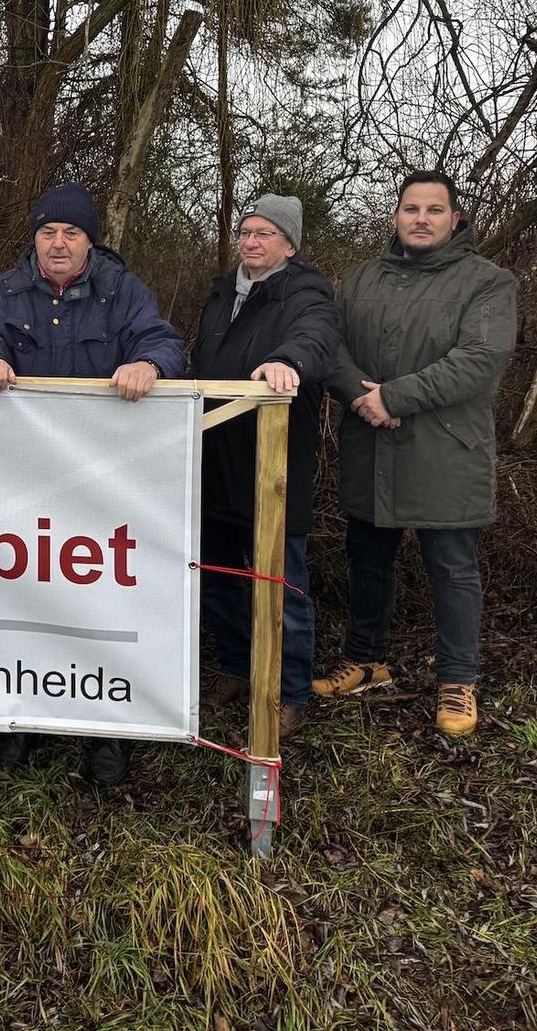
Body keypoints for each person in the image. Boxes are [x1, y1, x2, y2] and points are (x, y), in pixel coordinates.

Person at [0, 182, 186, 784]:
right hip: (25, 482)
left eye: (71, 233)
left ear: (90, 241)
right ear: (35, 238)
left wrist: (148, 364)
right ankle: (20, 717)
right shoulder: (6, 291)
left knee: (102, 602)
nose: (58, 243)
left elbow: (164, 341)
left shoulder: (123, 290)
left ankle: (108, 727)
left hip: (104, 483)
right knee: (24, 596)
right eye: (48, 232)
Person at [316, 171, 517, 738]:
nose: (421, 218)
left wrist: (395, 397)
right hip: (372, 445)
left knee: (451, 567)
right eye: (411, 208)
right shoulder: (356, 281)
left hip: (445, 450)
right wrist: (363, 398)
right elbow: (330, 349)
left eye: (434, 209)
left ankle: (458, 678)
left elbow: (480, 358)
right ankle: (367, 660)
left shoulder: (488, 282)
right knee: (368, 558)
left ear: (455, 220)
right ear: (396, 216)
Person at [190, 195, 341, 738]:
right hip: (213, 459)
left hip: (273, 462)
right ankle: (236, 668)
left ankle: (290, 692)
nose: (251, 242)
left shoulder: (305, 291)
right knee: (219, 577)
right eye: (245, 232)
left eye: (264, 234)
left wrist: (287, 360)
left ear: (290, 245)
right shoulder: (219, 294)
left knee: (282, 584)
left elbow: (318, 338)